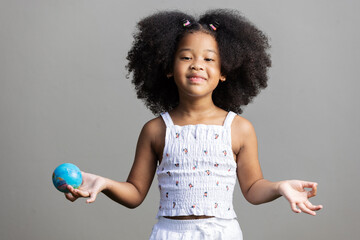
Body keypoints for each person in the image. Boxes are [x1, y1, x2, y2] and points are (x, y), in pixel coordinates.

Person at [65, 9, 323, 239]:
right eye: (186, 57)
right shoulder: (155, 130)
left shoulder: (239, 128)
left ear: (224, 72)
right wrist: (104, 183)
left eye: (209, 59)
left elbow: (253, 188)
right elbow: (134, 193)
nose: (197, 65)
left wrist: (279, 187)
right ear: (168, 67)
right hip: (168, 233)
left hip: (222, 233)